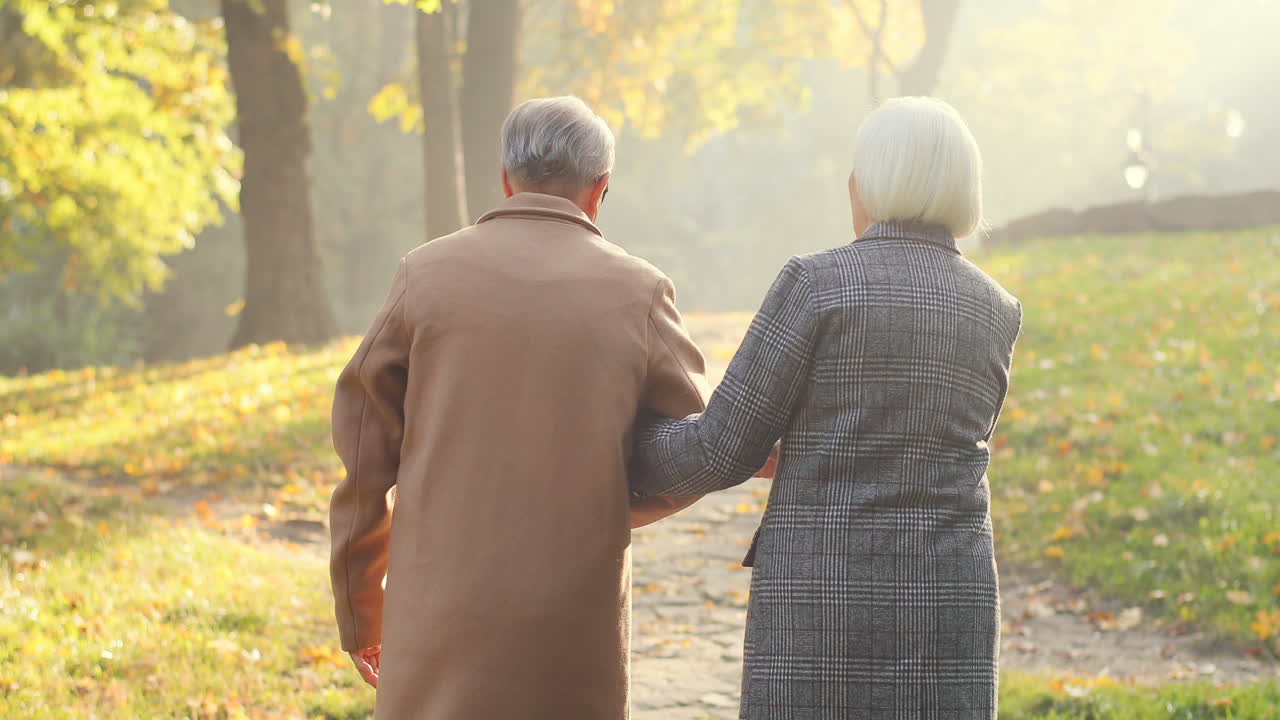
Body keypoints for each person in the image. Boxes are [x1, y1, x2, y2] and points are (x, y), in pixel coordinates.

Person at [631, 97, 1022, 720]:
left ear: (866, 182)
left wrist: (622, 446)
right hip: (952, 597)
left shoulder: (816, 285)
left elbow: (721, 449)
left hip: (822, 598)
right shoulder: (996, 309)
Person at [329, 96, 712, 720]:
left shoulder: (424, 275)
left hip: (437, 611)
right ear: (600, 189)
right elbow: (698, 452)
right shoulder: (641, 291)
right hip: (572, 616)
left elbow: (364, 461)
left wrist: (361, 612)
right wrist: (598, 514)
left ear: (506, 179)